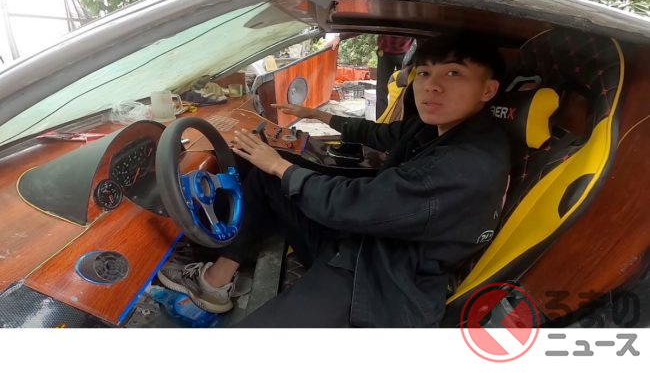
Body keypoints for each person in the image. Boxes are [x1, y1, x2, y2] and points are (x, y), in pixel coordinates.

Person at [157, 34, 511, 327]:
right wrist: (314, 115)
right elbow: (379, 135)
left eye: (453, 74)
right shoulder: (436, 128)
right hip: (366, 241)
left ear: (488, 90)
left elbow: (357, 205)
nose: (432, 86)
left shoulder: (467, 164)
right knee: (266, 176)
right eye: (425, 73)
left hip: (384, 283)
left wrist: (280, 166)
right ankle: (215, 282)